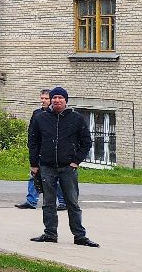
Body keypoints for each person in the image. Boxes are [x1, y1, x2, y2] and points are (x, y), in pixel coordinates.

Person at [26, 86, 97, 247]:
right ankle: (50, 233)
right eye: (54, 97)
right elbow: (33, 142)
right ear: (51, 100)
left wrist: (76, 161)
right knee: (48, 202)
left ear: (66, 100)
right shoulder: (41, 118)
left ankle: (79, 236)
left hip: (68, 167)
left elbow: (86, 142)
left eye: (60, 98)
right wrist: (34, 164)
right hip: (47, 166)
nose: (57, 100)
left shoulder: (76, 118)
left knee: (72, 202)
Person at [15, 89, 63, 209]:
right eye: (42, 98)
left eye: (46, 98)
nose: (43, 101)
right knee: (34, 175)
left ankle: (63, 201)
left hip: (52, 151)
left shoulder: (56, 114)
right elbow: (32, 132)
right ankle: (31, 201)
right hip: (39, 150)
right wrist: (32, 146)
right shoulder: (37, 113)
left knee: (56, 177)